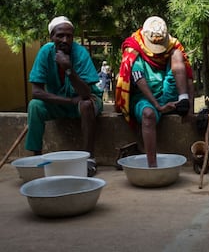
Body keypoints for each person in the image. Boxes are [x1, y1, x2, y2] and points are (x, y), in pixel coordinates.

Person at [25, 16, 103, 176]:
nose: (65, 39)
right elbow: (36, 92)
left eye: (69, 35)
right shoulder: (45, 53)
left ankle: (89, 159)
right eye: (60, 35)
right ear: (51, 37)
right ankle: (36, 158)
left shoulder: (80, 53)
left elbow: (86, 94)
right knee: (34, 106)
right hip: (62, 103)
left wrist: (68, 69)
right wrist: (69, 101)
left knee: (87, 104)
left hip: (83, 102)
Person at [115, 16, 194, 167]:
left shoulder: (173, 45)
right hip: (145, 98)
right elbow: (139, 79)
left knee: (178, 55)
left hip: (167, 92)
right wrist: (157, 106)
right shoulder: (133, 47)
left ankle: (180, 100)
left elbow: (188, 76)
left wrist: (188, 104)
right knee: (148, 115)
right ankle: (152, 166)